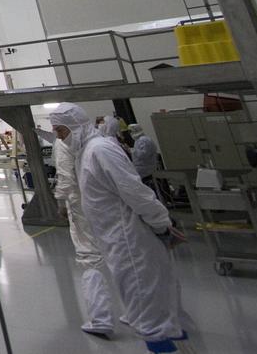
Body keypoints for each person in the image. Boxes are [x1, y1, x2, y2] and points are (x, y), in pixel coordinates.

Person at [50, 104, 188, 353]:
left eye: (61, 131)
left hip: (127, 234)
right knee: (142, 291)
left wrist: (161, 224)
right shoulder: (85, 151)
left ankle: (162, 343)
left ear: (75, 125)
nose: (60, 138)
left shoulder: (100, 150)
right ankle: (165, 334)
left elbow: (135, 191)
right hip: (113, 233)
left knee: (142, 292)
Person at [53, 133, 115, 338]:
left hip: (80, 204)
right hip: (106, 203)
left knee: (89, 257)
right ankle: (136, 312)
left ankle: (100, 319)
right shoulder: (99, 141)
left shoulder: (63, 144)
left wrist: (61, 202)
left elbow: (65, 178)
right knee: (119, 254)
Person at [130, 123, 160, 188]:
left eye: (131, 131)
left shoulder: (143, 140)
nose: (130, 133)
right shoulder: (138, 140)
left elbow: (143, 155)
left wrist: (131, 150)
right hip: (144, 170)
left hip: (147, 171)